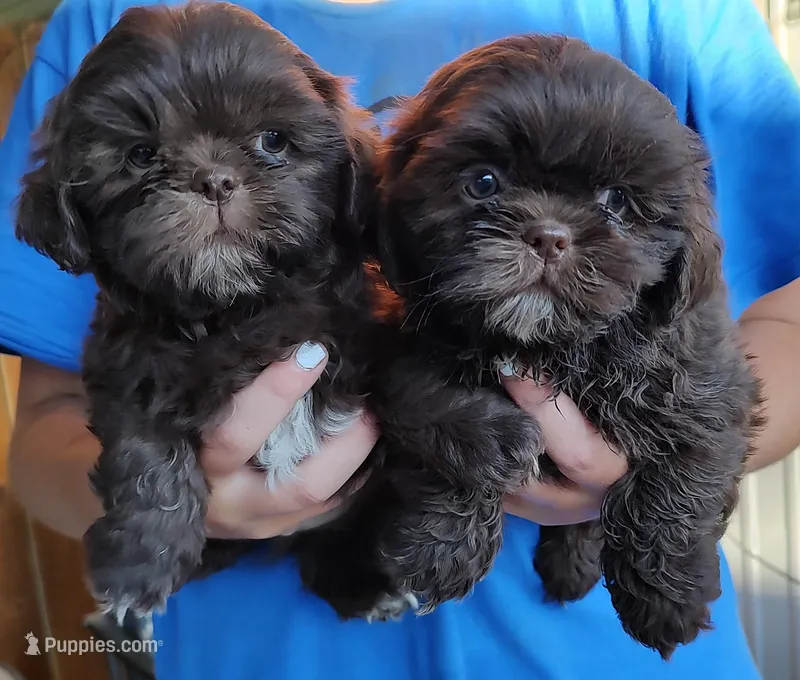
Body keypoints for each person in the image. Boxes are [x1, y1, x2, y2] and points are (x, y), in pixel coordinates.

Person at [2, 0, 800, 678]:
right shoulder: (99, 16)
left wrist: (649, 480)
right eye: (483, 186)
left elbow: (782, 327)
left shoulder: (676, 11)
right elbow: (46, 431)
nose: (218, 181)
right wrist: (178, 504)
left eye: (273, 147)